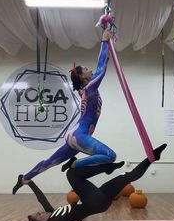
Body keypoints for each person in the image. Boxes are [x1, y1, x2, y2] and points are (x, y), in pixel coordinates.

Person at [13, 28, 116, 194]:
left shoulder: (86, 89)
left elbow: (102, 65)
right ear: (83, 77)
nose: (91, 70)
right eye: (87, 70)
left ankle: (25, 178)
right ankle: (75, 164)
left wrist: (109, 46)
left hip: (74, 135)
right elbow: (101, 68)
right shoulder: (89, 88)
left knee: (49, 162)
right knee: (110, 155)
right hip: (80, 135)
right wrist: (104, 42)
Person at [0, 144, 167, 221]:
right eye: (38, 215)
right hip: (92, 201)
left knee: (126, 177)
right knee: (72, 173)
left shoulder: (52, 213)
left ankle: (151, 158)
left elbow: (41, 198)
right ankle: (105, 167)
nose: (41, 212)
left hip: (97, 200)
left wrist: (29, 182)